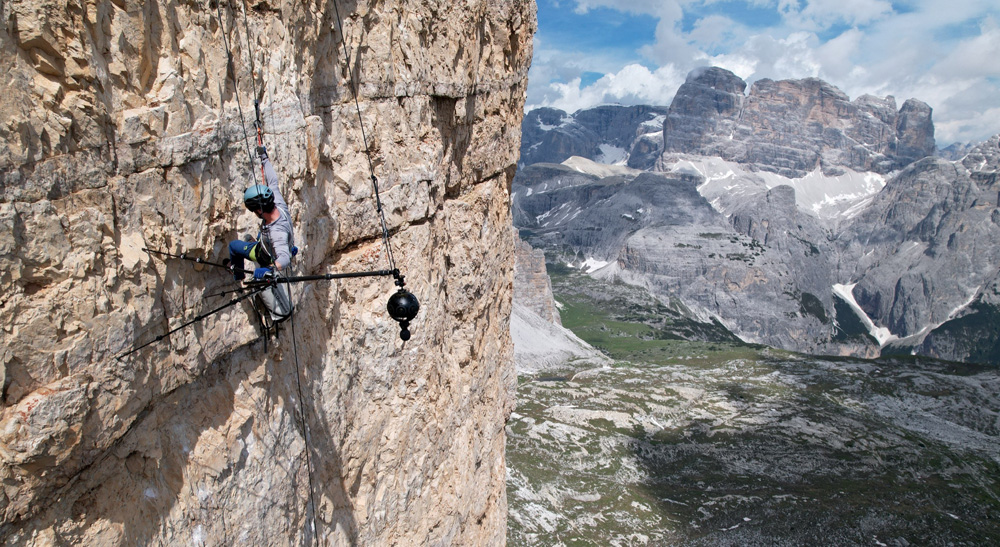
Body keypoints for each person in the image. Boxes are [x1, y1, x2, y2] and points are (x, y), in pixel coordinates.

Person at [228, 145, 296, 323]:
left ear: (259, 209)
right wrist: (264, 158)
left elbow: (284, 258)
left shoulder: (276, 232)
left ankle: (238, 276)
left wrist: (269, 270)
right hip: (279, 244)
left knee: (234, 247)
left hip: (266, 253)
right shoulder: (277, 202)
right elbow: (272, 180)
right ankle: (253, 251)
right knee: (254, 241)